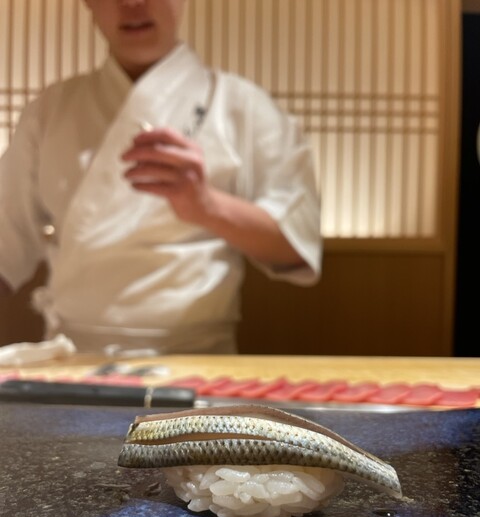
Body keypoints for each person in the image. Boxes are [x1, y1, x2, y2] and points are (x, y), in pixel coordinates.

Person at [0, 0, 321, 355]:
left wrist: (207, 206)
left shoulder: (242, 106)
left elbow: (296, 244)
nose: (132, 4)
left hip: (199, 359)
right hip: (74, 357)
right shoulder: (50, 112)